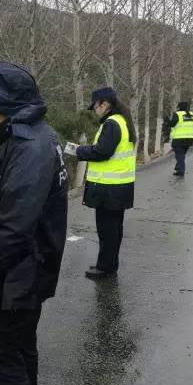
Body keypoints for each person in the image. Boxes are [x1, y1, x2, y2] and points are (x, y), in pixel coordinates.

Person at [0, 60, 68, 385]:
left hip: (17, 272)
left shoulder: (30, 147)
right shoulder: (33, 135)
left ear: (9, 104)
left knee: (2, 358)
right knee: (22, 346)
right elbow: (4, 188)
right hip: (33, 266)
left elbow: (14, 225)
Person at [75, 87, 136, 280]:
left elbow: (102, 152)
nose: (95, 110)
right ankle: (109, 264)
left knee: (107, 230)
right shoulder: (122, 120)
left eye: (95, 106)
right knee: (114, 229)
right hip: (120, 186)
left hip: (109, 188)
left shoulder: (111, 124)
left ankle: (105, 267)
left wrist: (79, 151)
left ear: (104, 104)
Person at [168, 101, 193, 176]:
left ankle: (181, 171)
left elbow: (172, 124)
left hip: (179, 139)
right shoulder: (192, 115)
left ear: (179, 107)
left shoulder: (177, 114)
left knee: (179, 155)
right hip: (189, 139)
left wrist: (167, 120)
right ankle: (178, 167)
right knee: (181, 155)